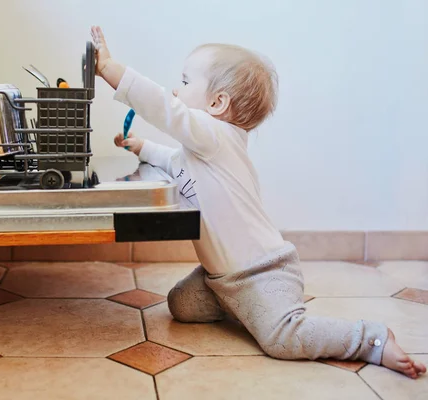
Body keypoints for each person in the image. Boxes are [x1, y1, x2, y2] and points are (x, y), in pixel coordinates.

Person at [91, 25, 426, 379]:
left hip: (264, 272)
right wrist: (141, 147)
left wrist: (111, 69)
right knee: (182, 304)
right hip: (221, 279)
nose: (176, 90)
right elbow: (172, 160)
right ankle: (243, 308)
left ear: (217, 103)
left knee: (281, 339)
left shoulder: (216, 136)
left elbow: (163, 108)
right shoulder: (203, 150)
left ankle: (370, 340)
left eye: (186, 83)